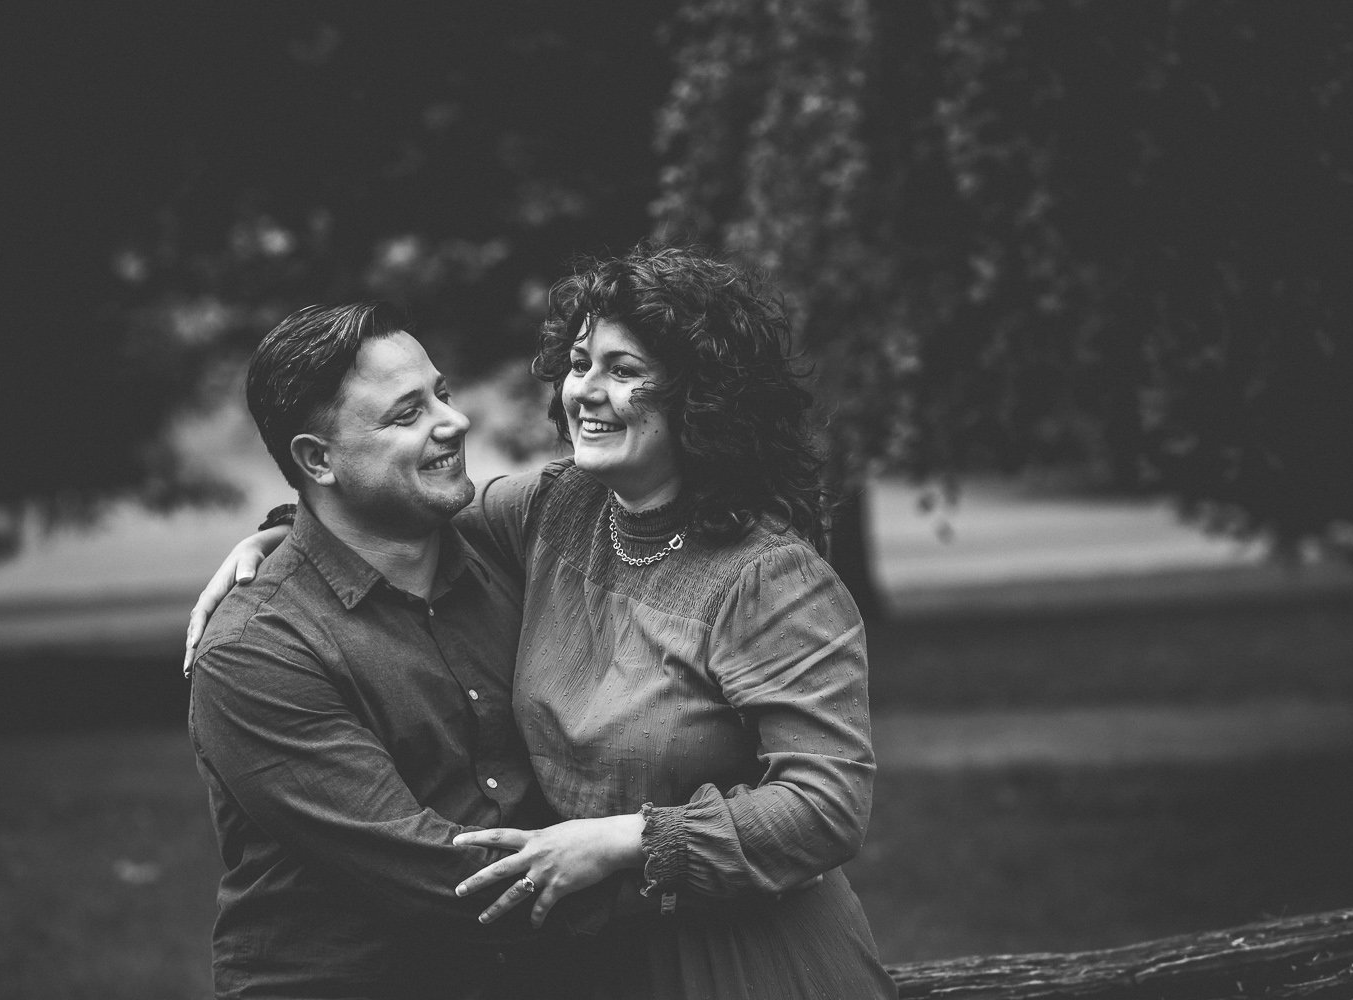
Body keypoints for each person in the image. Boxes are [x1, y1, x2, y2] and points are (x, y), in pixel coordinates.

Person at [190, 246, 898, 999]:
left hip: (751, 958)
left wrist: (629, 843)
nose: (585, 391)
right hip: (594, 963)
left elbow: (827, 806)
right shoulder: (556, 515)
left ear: (703, 396)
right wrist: (279, 539)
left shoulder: (766, 578)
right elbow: (372, 516)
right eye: (581, 362)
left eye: (624, 370)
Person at [185, 301, 613, 999]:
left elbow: (642, 481)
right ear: (317, 459)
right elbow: (448, 879)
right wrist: (667, 863)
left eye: (441, 395)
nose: (455, 422)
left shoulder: (503, 555)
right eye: (407, 414)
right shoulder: (257, 651)